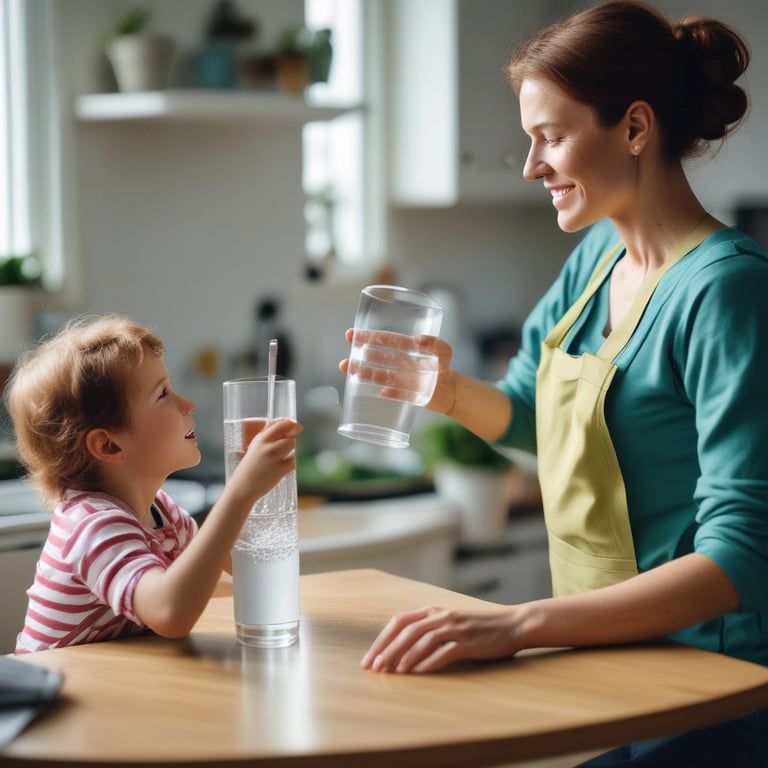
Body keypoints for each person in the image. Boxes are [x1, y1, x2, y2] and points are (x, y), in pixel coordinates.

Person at [341, 1, 768, 763]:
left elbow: (743, 553)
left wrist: (517, 623)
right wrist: (444, 391)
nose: (533, 165)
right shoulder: (595, 260)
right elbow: (529, 414)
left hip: (712, 690)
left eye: (552, 136)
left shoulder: (726, 290)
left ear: (635, 128)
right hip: (609, 670)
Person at [6, 314, 302, 653]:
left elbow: (231, 567)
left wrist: (261, 495)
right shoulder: (91, 526)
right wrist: (240, 490)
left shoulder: (161, 511)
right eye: (163, 394)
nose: (188, 405)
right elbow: (169, 612)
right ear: (109, 445)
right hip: (52, 684)